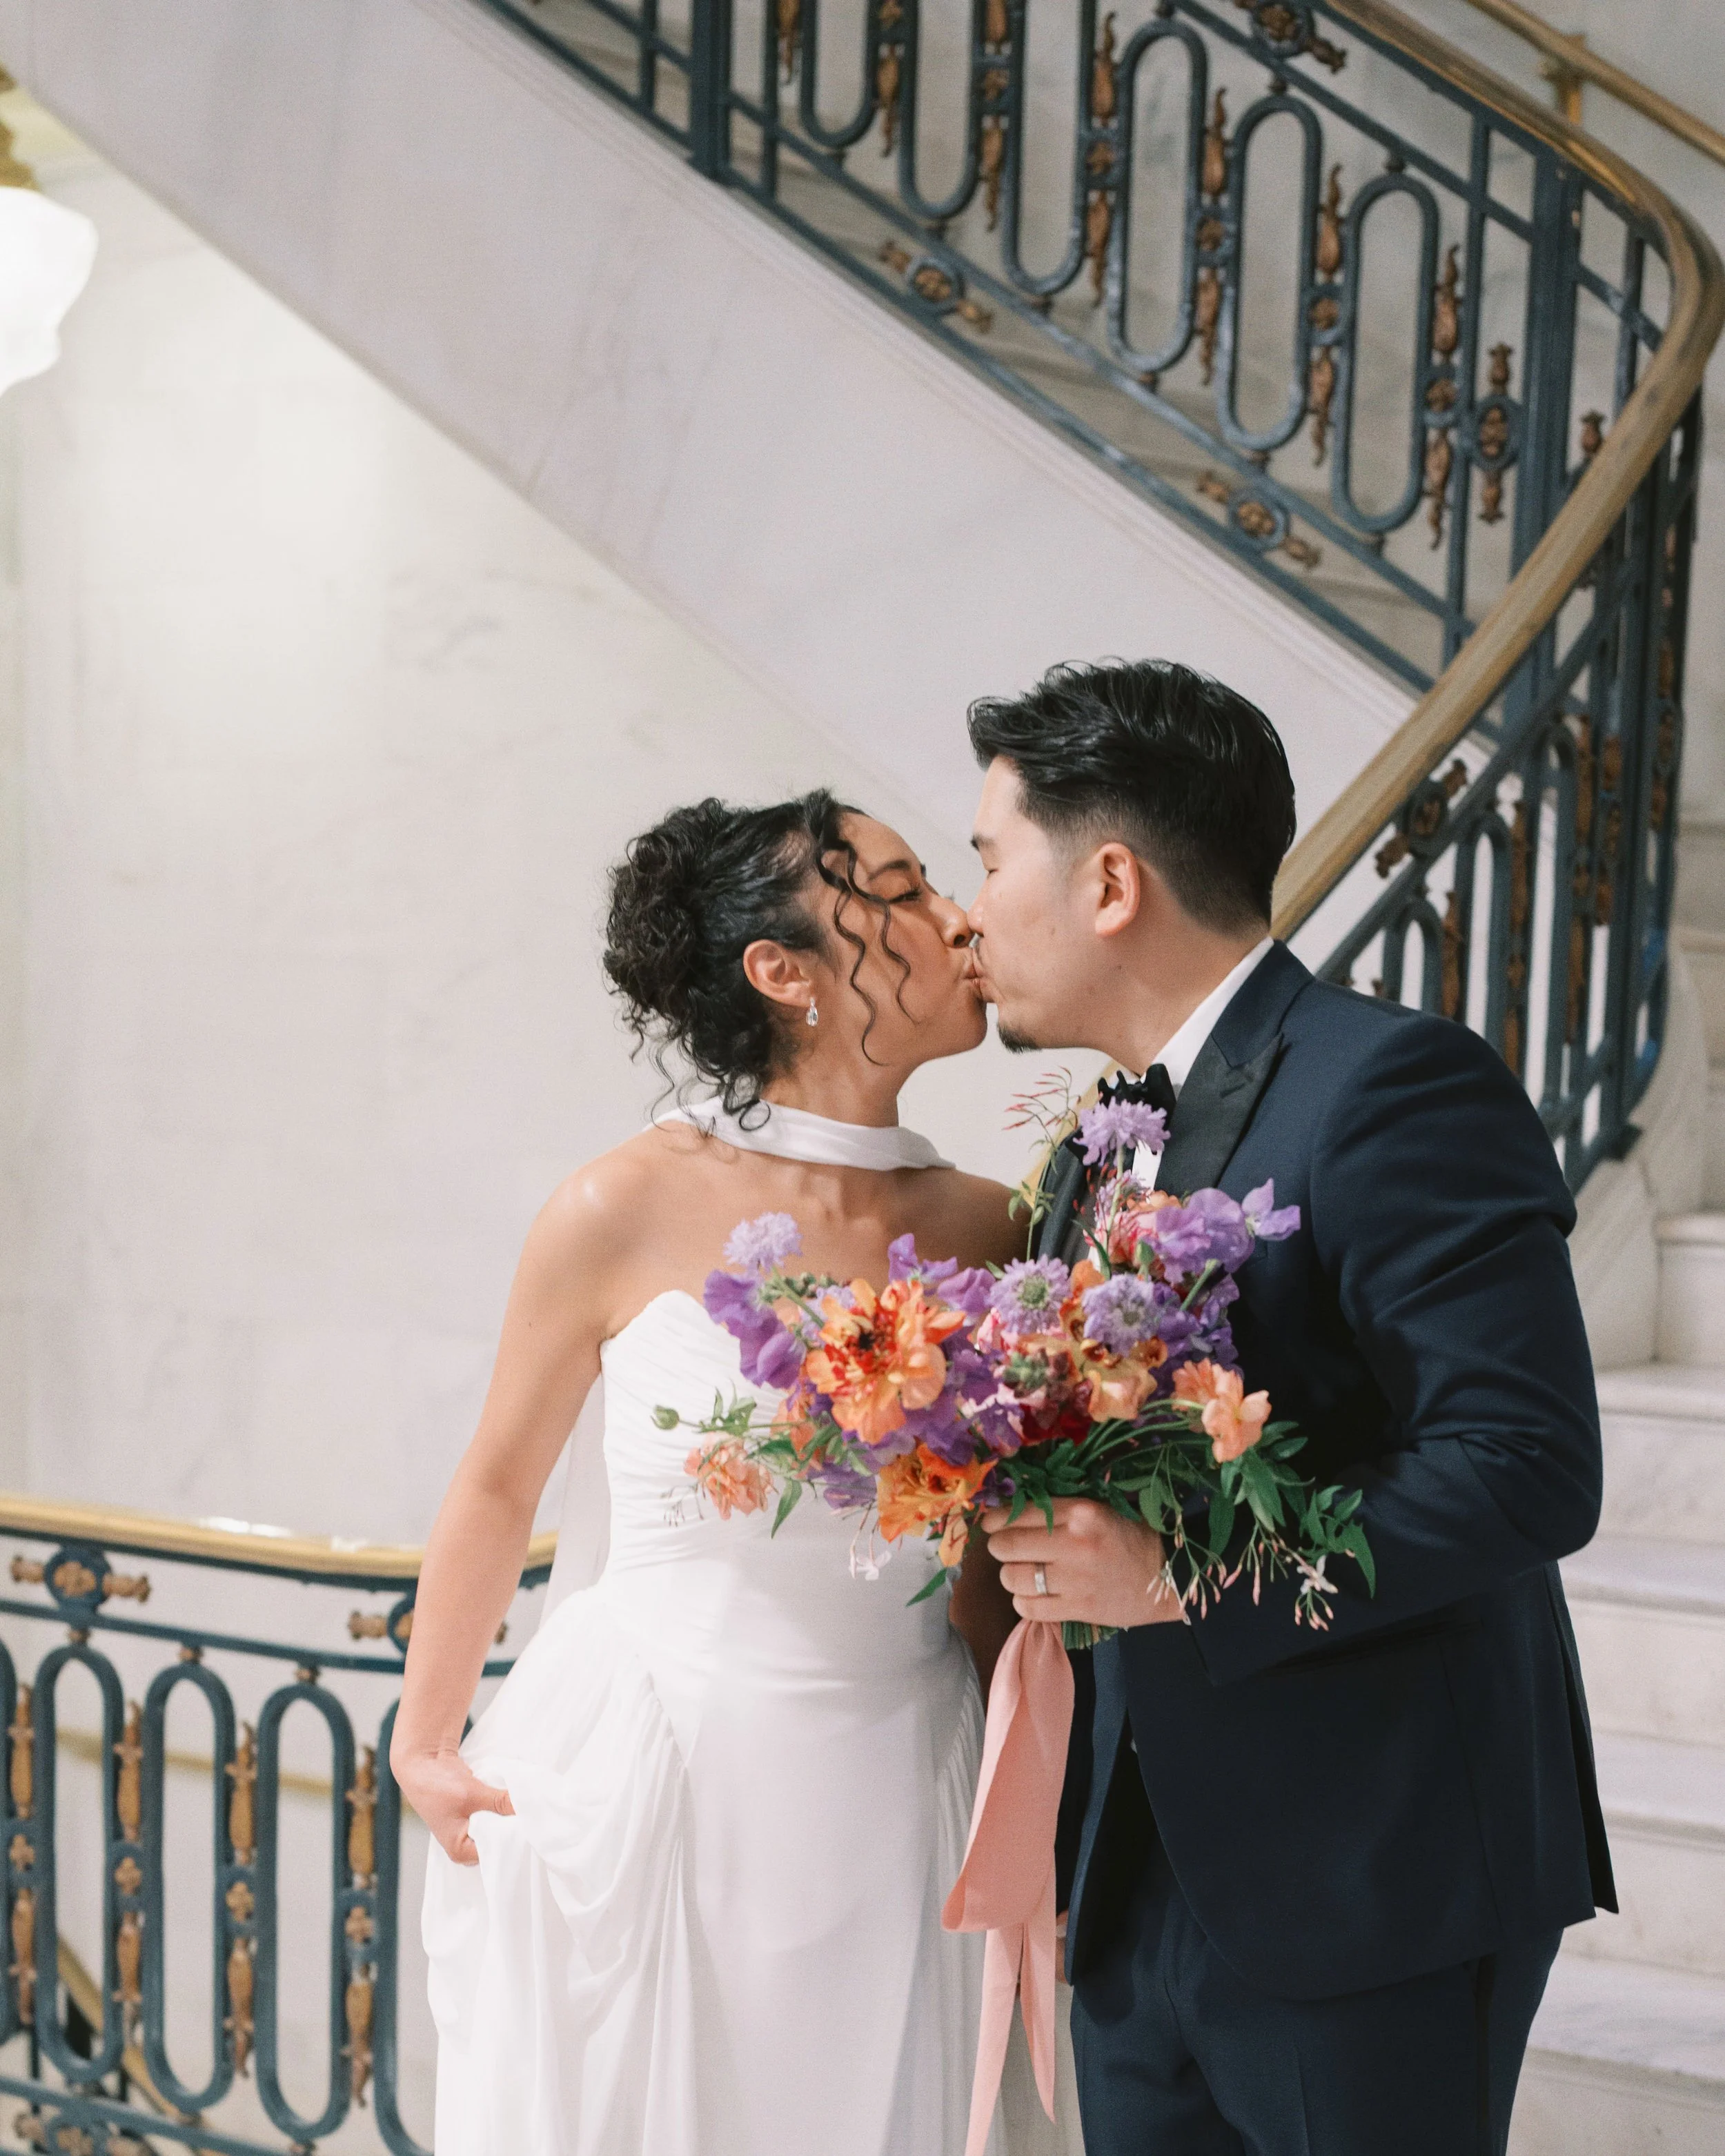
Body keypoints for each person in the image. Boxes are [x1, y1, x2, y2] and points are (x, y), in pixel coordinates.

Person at [967, 660, 1613, 2156]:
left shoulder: (1390, 1086)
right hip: (1134, 1875)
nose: (968, 908)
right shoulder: (1098, 1143)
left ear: (1109, 879)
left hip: (1366, 1872)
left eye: (989, 858)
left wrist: (1180, 1575)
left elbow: (1523, 1466)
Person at [393, 790, 1069, 2155]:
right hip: (656, 1776)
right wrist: (423, 1735)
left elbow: (1001, 1563)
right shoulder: (619, 1205)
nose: (956, 916)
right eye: (897, 885)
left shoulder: (997, 1226)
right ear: (783, 971)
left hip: (902, 1793)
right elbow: (494, 1482)